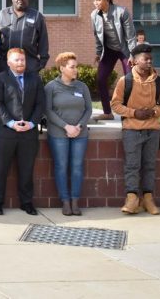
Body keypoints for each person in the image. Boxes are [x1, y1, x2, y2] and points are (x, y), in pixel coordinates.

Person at [111, 44, 160, 215]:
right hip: (131, 130)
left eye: (151, 58)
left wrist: (154, 112)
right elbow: (115, 104)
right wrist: (134, 113)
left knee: (150, 166)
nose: (149, 61)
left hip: (152, 130)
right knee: (132, 166)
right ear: (135, 61)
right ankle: (132, 199)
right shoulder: (125, 81)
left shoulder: (158, 81)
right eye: (145, 58)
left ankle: (148, 199)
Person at [0, 48, 46, 216]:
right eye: (17, 60)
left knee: (26, 170)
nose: (21, 63)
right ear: (9, 62)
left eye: (22, 60)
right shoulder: (0, 79)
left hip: (28, 133)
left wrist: (32, 123)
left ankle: (26, 202)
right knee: (1, 170)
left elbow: (40, 104)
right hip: (5, 133)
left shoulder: (35, 79)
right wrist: (11, 123)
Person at [45, 52, 92, 216]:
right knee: (61, 166)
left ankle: (75, 201)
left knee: (77, 167)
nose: (76, 70)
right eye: (72, 67)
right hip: (58, 134)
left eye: (76, 66)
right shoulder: (51, 87)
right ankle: (65, 201)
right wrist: (66, 126)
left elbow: (88, 109)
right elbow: (48, 111)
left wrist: (78, 126)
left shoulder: (82, 87)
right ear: (62, 68)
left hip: (80, 133)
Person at [91, 0, 137, 120]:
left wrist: (132, 54)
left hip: (124, 50)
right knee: (100, 79)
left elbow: (130, 36)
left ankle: (128, 112)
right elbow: (97, 35)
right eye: (94, 0)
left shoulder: (121, 12)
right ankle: (107, 112)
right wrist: (99, 53)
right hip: (108, 50)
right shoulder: (94, 15)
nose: (96, 2)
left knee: (130, 80)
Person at [0, 0, 49, 72]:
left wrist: (41, 63)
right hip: (5, 66)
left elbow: (43, 41)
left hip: (30, 66)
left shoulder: (37, 16)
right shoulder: (2, 15)